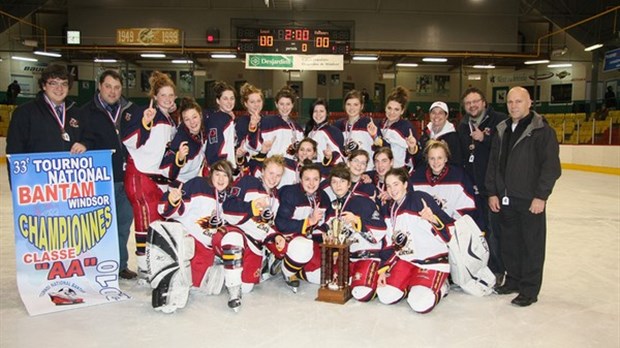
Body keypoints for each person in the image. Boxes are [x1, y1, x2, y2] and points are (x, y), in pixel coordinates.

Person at [485, 86, 561, 307]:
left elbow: (551, 168)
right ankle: (514, 280)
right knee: (510, 243)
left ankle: (529, 289)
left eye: (519, 101)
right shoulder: (502, 129)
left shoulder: (542, 131)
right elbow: (493, 164)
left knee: (531, 246)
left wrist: (541, 196)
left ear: (529, 103)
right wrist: (492, 192)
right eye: (510, 102)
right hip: (506, 199)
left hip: (530, 201)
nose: (514, 106)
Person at [79, 70, 136, 279]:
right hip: (101, 181)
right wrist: (82, 143)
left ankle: (120, 265)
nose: (113, 91)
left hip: (127, 179)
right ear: (100, 86)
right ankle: (98, 265)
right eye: (108, 86)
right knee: (99, 226)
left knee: (122, 226)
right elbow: (82, 137)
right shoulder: (86, 112)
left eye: (117, 87)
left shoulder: (130, 110)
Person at [121, 71, 178, 280]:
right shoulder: (146, 113)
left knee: (155, 220)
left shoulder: (168, 119)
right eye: (163, 95)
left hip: (156, 178)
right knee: (144, 222)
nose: (167, 99)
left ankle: (153, 262)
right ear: (154, 96)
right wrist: (145, 123)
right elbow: (129, 139)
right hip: (140, 175)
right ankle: (144, 266)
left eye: (171, 95)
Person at [377, 167, 453, 314]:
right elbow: (388, 241)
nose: (392, 190)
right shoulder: (389, 209)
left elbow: (449, 233)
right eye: (388, 186)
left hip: (431, 261)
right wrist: (383, 269)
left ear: (405, 184)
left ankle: (442, 285)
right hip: (407, 259)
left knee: (419, 303)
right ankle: (412, 283)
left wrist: (433, 220)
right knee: (385, 295)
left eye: (396, 184)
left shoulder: (420, 198)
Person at [457, 87, 508, 283]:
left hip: (493, 188)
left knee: (495, 230)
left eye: (475, 101)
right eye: (468, 103)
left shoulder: (499, 120)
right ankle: (478, 265)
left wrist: (484, 138)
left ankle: (497, 268)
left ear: (484, 102)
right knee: (477, 228)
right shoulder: (463, 126)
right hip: (472, 188)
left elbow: (506, 147)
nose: (472, 105)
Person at [324, 164, 386, 302]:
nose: (338, 185)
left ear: (349, 184)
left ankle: (372, 278)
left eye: (342, 181)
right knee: (331, 286)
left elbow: (381, 229)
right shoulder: (332, 206)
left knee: (361, 293)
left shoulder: (362, 201)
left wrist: (357, 221)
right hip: (346, 257)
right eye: (334, 182)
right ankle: (354, 278)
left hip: (367, 255)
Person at [275, 163, 333, 293]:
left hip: (308, 241)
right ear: (300, 179)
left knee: (322, 277)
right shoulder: (291, 193)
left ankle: (292, 264)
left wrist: (324, 233)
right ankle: (287, 272)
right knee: (302, 247)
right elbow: (281, 223)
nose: (311, 183)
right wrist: (308, 222)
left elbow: (326, 222)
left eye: (315, 179)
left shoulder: (323, 197)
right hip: (285, 238)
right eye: (307, 179)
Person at [7, 64, 86, 156]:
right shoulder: (24, 112)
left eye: (64, 84)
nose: (59, 88)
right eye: (53, 83)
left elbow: (89, 137)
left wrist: (85, 144)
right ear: (44, 85)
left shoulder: (77, 112)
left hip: (69, 169)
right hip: (37, 169)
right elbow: (14, 148)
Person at [409, 140, 481, 226]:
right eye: (432, 158)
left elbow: (467, 209)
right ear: (427, 159)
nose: (436, 162)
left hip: (452, 230)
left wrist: (450, 226)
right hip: (425, 230)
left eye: (440, 158)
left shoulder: (459, 177)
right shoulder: (416, 177)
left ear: (446, 158)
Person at [367, 86, 419, 169]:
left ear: (402, 111)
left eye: (396, 109)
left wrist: (412, 148)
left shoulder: (406, 127)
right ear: (385, 108)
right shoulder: (379, 124)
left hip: (397, 172)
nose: (392, 112)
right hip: (380, 169)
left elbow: (414, 153)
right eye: (389, 108)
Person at [160, 97, 207, 184]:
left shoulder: (203, 129)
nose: (192, 122)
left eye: (194, 117)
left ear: (200, 115)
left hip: (195, 181)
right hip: (179, 186)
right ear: (183, 122)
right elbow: (166, 172)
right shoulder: (181, 139)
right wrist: (179, 159)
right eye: (187, 119)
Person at [333, 90, 378, 169]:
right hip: (346, 171)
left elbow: (381, 147)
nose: (352, 108)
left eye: (356, 104)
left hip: (366, 171)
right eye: (348, 104)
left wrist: (375, 136)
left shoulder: (369, 123)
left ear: (362, 106)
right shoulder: (338, 125)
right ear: (344, 106)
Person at [255, 86, 304, 159]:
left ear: (292, 105)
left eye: (288, 104)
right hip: (271, 166)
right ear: (276, 104)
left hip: (290, 167)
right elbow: (255, 146)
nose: (285, 108)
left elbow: (299, 153)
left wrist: (294, 151)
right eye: (281, 104)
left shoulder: (297, 128)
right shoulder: (267, 122)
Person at [203, 81, 237, 174]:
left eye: (232, 98)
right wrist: (221, 168)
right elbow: (216, 146)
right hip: (220, 168)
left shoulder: (222, 117)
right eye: (225, 99)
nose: (229, 102)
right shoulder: (220, 119)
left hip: (221, 167)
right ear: (218, 101)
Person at [418, 101, 462, 168]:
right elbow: (420, 158)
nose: (436, 116)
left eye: (440, 113)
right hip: (426, 174)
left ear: (446, 115)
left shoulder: (453, 137)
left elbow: (456, 162)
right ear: (429, 115)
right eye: (433, 113)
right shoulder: (425, 134)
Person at [304, 98, 345, 164]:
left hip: (326, 172)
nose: (318, 114)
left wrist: (330, 157)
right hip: (312, 171)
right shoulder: (310, 132)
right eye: (315, 111)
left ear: (327, 113)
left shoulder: (334, 132)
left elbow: (340, 157)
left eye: (321, 111)